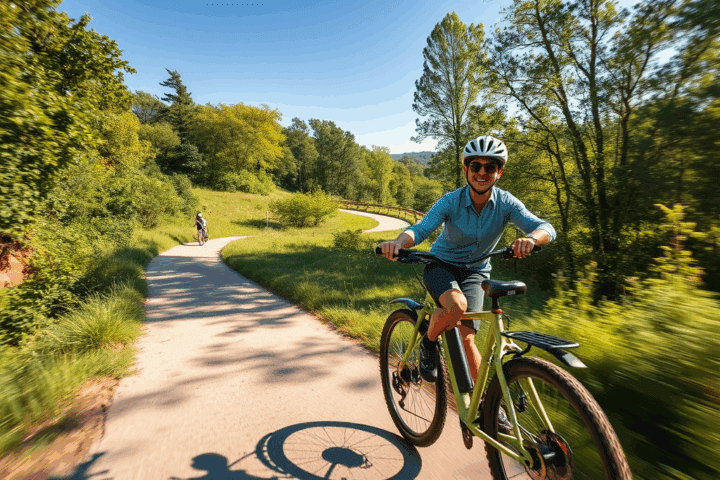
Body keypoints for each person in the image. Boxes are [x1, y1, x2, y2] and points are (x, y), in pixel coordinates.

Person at [378, 135, 556, 385]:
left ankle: (486, 406)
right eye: (475, 166)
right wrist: (398, 243)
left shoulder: (506, 203)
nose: (482, 172)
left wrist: (533, 239)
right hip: (441, 265)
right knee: (456, 306)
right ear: (466, 170)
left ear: (500, 172)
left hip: (476, 273)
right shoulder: (451, 201)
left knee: (467, 339)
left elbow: (545, 227)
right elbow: (419, 230)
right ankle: (428, 343)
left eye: (490, 167)